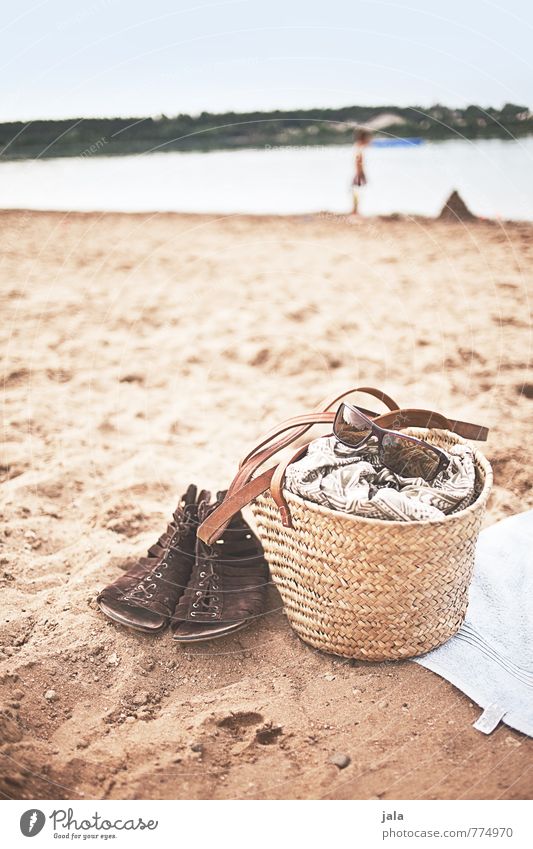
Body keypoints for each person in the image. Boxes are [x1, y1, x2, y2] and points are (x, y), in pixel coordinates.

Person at [351, 128, 372, 215]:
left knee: (356, 190)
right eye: (369, 138)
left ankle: (356, 209)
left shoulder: (358, 147)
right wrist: (361, 174)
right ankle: (355, 210)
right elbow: (358, 162)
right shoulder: (360, 148)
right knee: (357, 190)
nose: (370, 140)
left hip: (358, 172)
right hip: (358, 173)